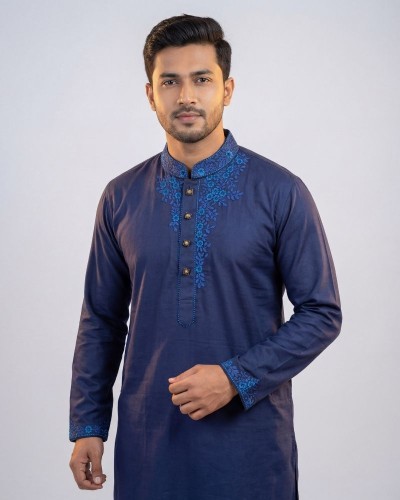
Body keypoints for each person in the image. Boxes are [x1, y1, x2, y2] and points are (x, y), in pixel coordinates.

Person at [69, 14, 342, 500]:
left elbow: (322, 313)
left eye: (202, 79)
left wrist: (235, 378)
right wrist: (88, 425)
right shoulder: (121, 197)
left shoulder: (280, 191)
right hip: (147, 446)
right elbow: (102, 319)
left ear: (227, 89)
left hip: (251, 451)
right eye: (169, 81)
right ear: (150, 94)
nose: (186, 96)